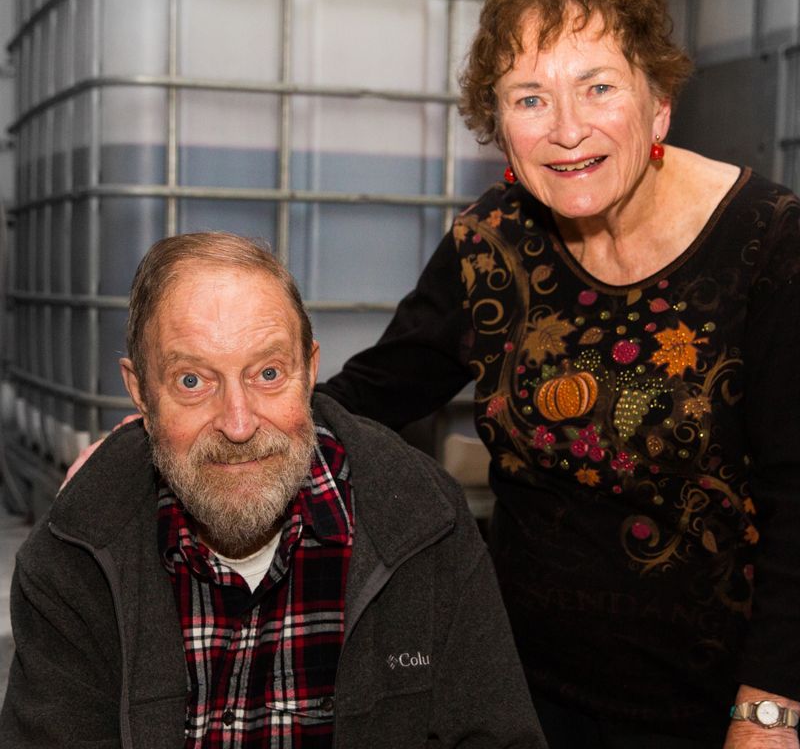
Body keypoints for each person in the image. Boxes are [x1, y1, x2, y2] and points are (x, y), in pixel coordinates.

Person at [317, 0, 800, 749]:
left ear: (659, 105)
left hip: (718, 708)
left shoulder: (767, 241)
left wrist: (770, 707)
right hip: (515, 693)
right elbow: (372, 391)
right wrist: (190, 430)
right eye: (530, 97)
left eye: (599, 86)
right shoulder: (489, 243)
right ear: (499, 124)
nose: (567, 128)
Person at [0, 232, 545, 749]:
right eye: (193, 381)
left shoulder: (426, 527)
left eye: (267, 374)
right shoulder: (74, 556)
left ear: (309, 370)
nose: (238, 423)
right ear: (140, 392)